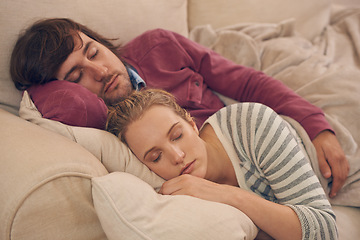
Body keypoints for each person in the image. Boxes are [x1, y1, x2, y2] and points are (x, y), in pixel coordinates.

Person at [10, 18, 348, 198]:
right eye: (76, 75)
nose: (100, 72)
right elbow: (49, 104)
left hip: (258, 140)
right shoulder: (99, 123)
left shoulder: (160, 46)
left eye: (93, 52)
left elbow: (247, 83)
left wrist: (316, 125)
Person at [106, 88, 337, 240]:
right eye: (156, 157)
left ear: (191, 123)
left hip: (331, 154)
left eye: (177, 135)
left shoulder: (252, 124)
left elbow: (326, 231)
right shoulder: (168, 191)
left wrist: (226, 194)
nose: (177, 156)